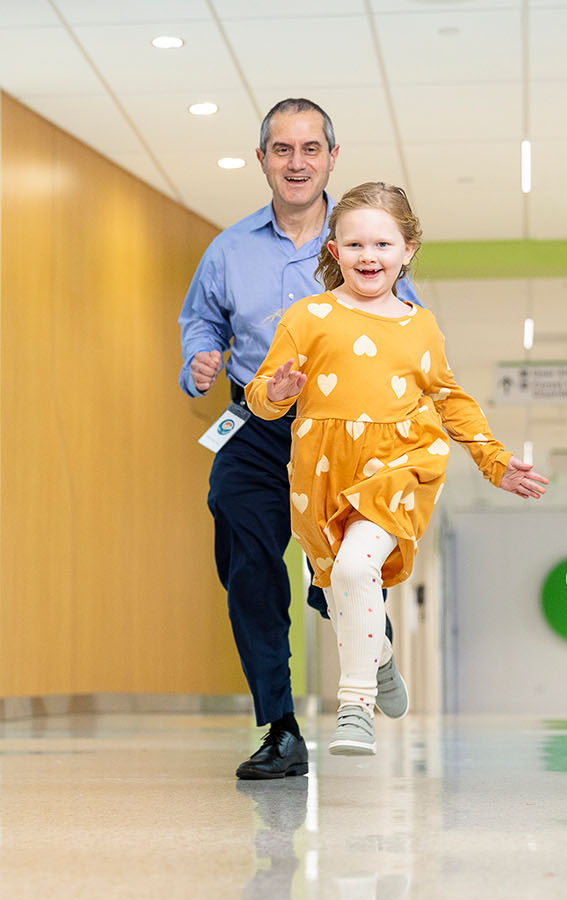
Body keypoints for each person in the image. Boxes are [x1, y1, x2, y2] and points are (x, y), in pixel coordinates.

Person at [244, 182, 549, 754]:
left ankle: (354, 706)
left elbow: (449, 398)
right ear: (334, 251)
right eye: (354, 244)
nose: (368, 256)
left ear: (407, 250)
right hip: (322, 474)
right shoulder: (307, 316)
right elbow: (262, 397)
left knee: (359, 569)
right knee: (341, 581)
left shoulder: (420, 325)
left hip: (400, 464)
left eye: (383, 244)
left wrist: (494, 460)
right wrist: (278, 391)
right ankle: (378, 654)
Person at [178, 99, 416, 780]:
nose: (297, 162)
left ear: (331, 158)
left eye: (310, 148)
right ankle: (280, 727)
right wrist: (201, 361)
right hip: (254, 424)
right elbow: (201, 322)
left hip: (338, 428)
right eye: (282, 149)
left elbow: (407, 320)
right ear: (263, 160)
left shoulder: (361, 240)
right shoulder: (228, 250)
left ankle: (366, 634)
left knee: (337, 573)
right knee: (245, 551)